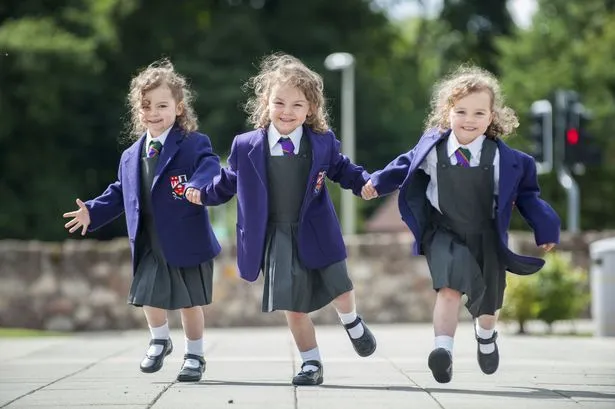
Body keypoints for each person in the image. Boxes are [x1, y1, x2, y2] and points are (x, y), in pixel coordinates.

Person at [186, 53, 376, 386]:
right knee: (293, 306)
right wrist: (202, 194)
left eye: (297, 105)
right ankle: (311, 363)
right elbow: (227, 181)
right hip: (274, 236)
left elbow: (344, 170)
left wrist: (364, 184)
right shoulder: (246, 147)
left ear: (311, 109)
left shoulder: (322, 143)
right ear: (265, 102)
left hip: (316, 229)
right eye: (280, 102)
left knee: (340, 289)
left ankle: (352, 321)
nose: (287, 112)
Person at [362, 65, 560, 383]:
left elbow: (528, 198)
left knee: (488, 302)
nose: (469, 120)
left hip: (487, 234)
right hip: (445, 232)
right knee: (449, 289)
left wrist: (546, 227)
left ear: (492, 116)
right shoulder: (432, 149)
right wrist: (376, 182)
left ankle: (485, 336)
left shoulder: (507, 160)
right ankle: (443, 350)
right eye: (462, 111)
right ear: (447, 111)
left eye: (479, 113)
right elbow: (403, 166)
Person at [63, 59, 221, 382]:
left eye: (162, 105)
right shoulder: (130, 155)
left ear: (178, 108)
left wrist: (198, 185)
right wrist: (91, 211)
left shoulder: (193, 144)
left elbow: (210, 166)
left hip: (185, 239)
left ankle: (195, 355)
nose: (154, 112)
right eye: (146, 106)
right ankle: (160, 339)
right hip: (148, 240)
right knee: (147, 294)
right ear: (139, 110)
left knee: (189, 303)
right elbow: (121, 191)